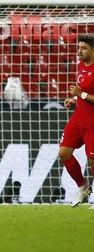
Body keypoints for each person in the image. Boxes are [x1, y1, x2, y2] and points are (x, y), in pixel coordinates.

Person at [59, 34, 94, 209]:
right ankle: (83, 187)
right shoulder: (81, 65)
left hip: (92, 123)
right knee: (64, 153)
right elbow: (82, 90)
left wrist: (81, 95)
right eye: (79, 47)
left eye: (84, 48)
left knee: (92, 160)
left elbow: (85, 93)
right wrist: (74, 98)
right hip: (78, 119)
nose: (79, 51)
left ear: (93, 50)